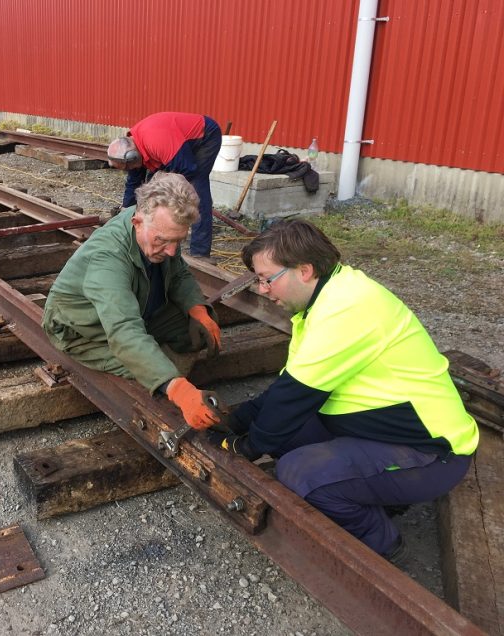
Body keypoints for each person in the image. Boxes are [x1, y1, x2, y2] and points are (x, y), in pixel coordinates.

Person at [217, 219, 478, 562]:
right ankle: (375, 492)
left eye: (267, 279)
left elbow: (292, 398)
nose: (263, 290)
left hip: (432, 450)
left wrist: (246, 445)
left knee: (300, 472)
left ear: (305, 270)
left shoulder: (347, 308)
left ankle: (382, 541)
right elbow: (286, 388)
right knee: (284, 432)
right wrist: (236, 420)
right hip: (383, 428)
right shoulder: (324, 301)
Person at [42, 172, 222, 429]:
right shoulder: (107, 258)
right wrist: (178, 388)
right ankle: (166, 374)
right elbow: (124, 331)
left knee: (198, 330)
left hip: (138, 306)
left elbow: (179, 273)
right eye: (163, 241)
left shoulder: (162, 227)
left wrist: (198, 309)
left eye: (178, 241)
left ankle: (160, 364)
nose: (171, 251)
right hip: (85, 329)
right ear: (137, 222)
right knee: (161, 370)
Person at [107, 112, 222, 257]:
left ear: (132, 158)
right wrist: (125, 210)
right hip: (175, 145)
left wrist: (162, 187)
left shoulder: (158, 143)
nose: (129, 171)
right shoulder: (134, 149)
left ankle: (200, 252)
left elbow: (188, 169)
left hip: (205, 136)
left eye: (128, 167)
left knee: (196, 189)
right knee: (153, 188)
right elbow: (134, 182)